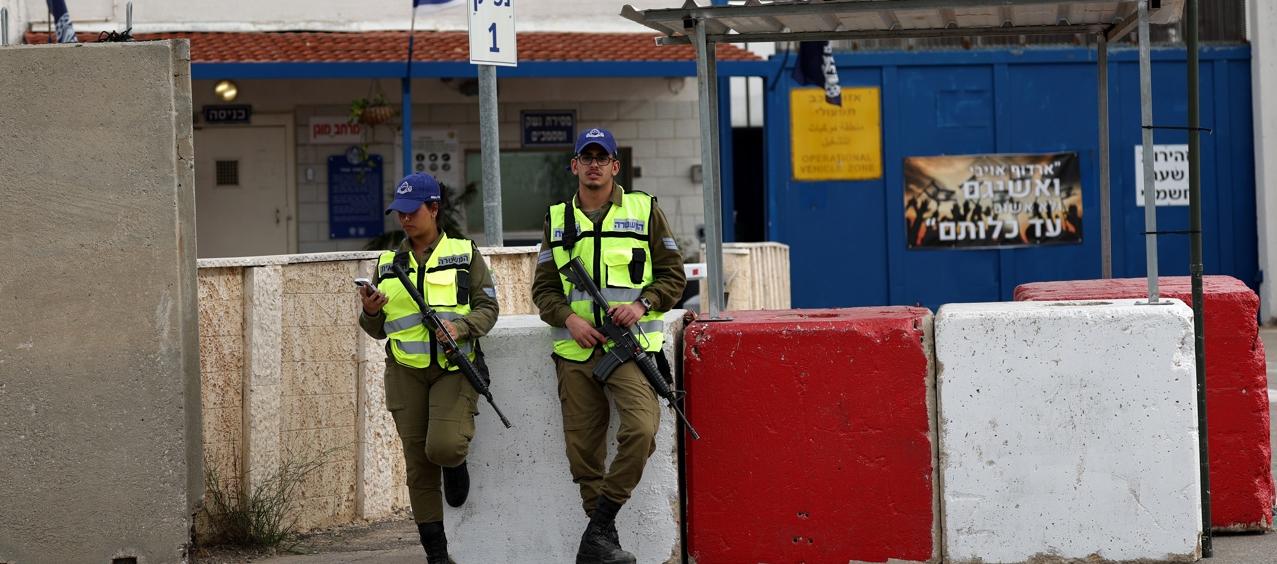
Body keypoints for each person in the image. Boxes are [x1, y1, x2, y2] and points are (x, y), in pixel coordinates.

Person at [531, 127, 687, 564]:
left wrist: (643, 304)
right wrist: (570, 319)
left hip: (630, 346)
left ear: (616, 166)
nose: (595, 164)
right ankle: (603, 543)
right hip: (575, 351)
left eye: (603, 157)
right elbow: (544, 290)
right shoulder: (558, 219)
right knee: (583, 453)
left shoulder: (644, 210)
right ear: (575, 165)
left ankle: (599, 527)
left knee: (641, 428)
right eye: (587, 157)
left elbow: (674, 276)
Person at [358, 172, 499, 564]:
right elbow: (375, 329)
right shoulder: (387, 263)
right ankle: (437, 555)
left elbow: (489, 308)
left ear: (434, 209)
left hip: (453, 368)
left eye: (411, 211)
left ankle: (455, 462)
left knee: (444, 446)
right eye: (398, 212)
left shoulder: (463, 253)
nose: (403, 219)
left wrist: (460, 326)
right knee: (418, 467)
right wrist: (370, 312)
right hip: (405, 372)